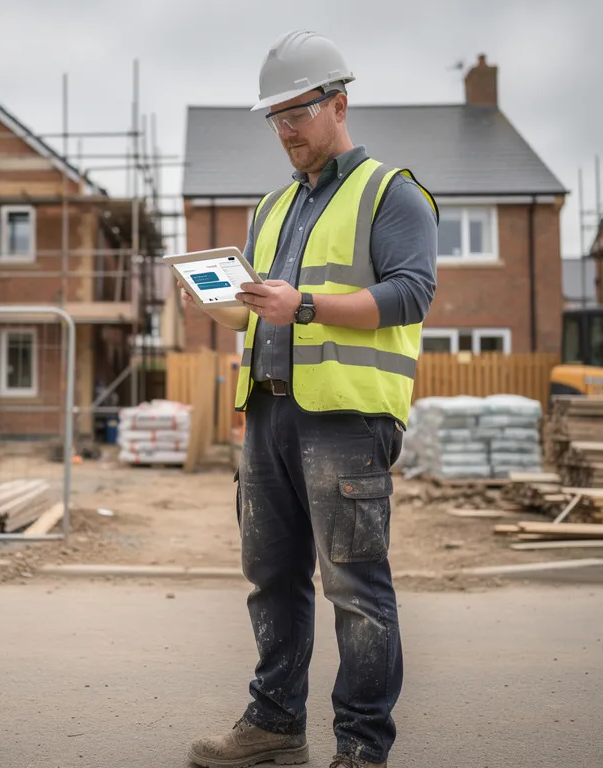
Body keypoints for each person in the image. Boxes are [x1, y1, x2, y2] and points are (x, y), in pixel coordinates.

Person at [182, 30, 438, 768]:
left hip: (345, 420)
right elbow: (269, 308)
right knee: (271, 579)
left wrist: (306, 306)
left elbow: (411, 295)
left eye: (298, 113)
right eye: (276, 118)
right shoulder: (273, 206)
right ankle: (273, 723)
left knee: (355, 588)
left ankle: (361, 747)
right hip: (267, 411)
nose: (286, 130)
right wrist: (218, 304)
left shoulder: (393, 193)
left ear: (339, 104)